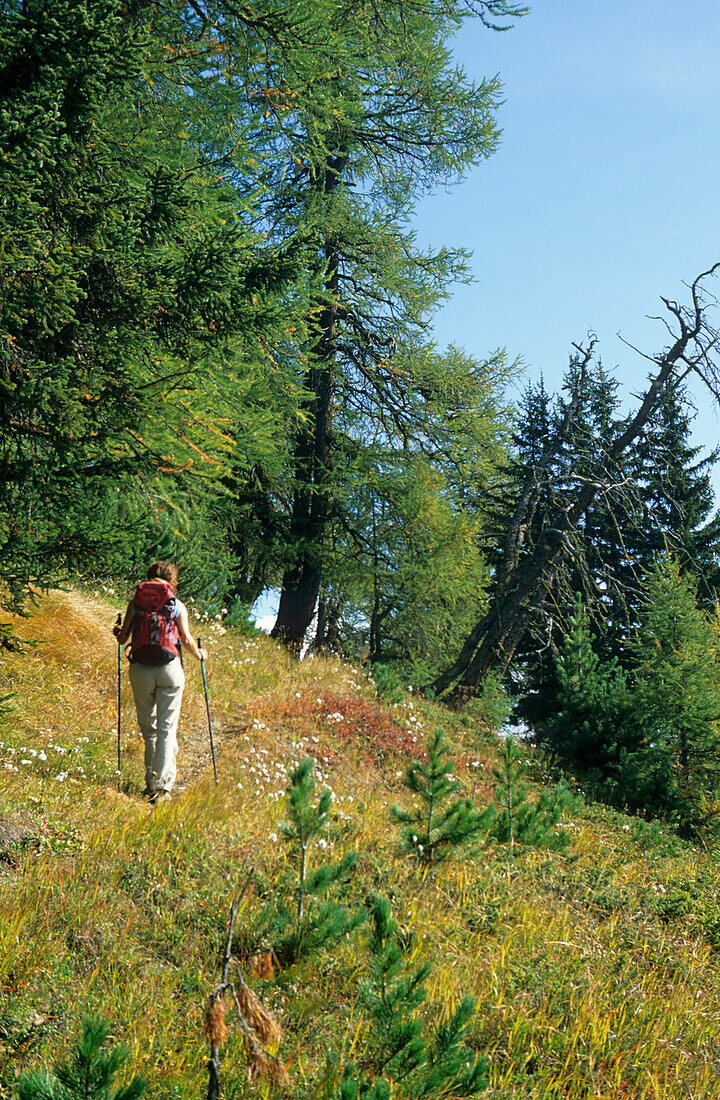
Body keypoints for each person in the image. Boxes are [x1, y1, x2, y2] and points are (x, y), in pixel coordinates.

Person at [113, 561, 208, 803]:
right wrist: (200, 655)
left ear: (149, 577)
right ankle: (161, 788)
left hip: (141, 670)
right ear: (172, 580)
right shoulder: (176, 605)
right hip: (169, 670)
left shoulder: (136, 603)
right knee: (167, 730)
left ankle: (150, 783)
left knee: (150, 731)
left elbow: (123, 639)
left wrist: (118, 632)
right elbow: (185, 639)